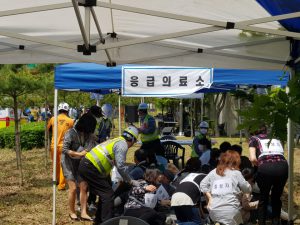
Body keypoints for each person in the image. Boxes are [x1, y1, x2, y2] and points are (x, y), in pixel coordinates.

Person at [78, 126, 140, 225]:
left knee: (106, 193)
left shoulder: (117, 140)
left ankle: (99, 221)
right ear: (133, 140)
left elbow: (114, 161)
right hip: (91, 167)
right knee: (108, 195)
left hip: (87, 164)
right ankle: (107, 222)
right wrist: (130, 180)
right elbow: (120, 166)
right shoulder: (123, 145)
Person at [248, 124, 288, 225]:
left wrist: (259, 165)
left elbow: (252, 158)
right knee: (276, 197)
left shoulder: (254, 139)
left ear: (252, 131)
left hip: (266, 168)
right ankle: (276, 221)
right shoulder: (275, 138)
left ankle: (262, 222)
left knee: (263, 198)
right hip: (283, 167)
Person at [200, 150, 252, 225]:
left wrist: (210, 198)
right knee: (245, 214)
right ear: (236, 161)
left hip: (214, 210)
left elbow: (203, 184)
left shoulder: (214, 172)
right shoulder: (236, 173)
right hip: (231, 211)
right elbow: (247, 189)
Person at [61, 113, 97, 221]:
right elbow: (64, 149)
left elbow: (89, 147)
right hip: (68, 162)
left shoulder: (89, 135)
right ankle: (72, 212)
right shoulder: (71, 133)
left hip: (81, 163)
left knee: (84, 186)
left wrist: (83, 153)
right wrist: (78, 154)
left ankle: (83, 212)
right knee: (72, 188)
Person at [47, 102, 74, 190]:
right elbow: (72, 134)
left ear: (58, 110)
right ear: (67, 110)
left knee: (55, 164)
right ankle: (61, 185)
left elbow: (49, 130)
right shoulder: (71, 121)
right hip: (64, 146)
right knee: (64, 165)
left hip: (53, 146)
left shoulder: (53, 119)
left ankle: (56, 180)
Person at [171, 159, 206, 225]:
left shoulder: (186, 176)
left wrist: (202, 214)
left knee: (182, 221)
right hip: (187, 198)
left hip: (175, 198)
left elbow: (198, 202)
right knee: (196, 223)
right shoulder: (205, 176)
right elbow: (203, 200)